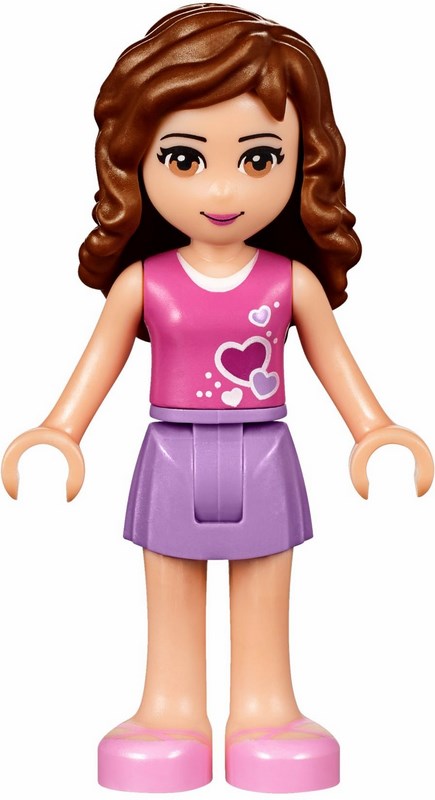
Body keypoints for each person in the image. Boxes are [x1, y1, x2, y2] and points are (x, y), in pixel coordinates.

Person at [2, 3, 433, 793]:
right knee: (169, 588)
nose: (224, 188)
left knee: (265, 588)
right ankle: (169, 711)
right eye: (185, 158)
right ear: (135, 161)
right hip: (170, 452)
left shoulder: (290, 282)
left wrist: (374, 430)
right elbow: (96, 365)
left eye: (260, 158)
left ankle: (266, 711)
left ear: (303, 161)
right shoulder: (143, 283)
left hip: (265, 451)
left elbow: (335, 362)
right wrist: (59, 432)